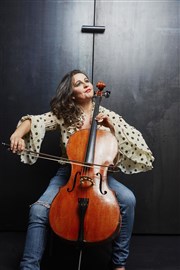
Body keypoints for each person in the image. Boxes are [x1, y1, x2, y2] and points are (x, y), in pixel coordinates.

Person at [10, 69, 154, 270]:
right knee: (38, 210)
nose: (86, 84)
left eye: (86, 81)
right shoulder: (63, 115)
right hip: (67, 175)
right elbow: (34, 121)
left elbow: (130, 143)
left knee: (128, 199)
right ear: (70, 93)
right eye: (78, 84)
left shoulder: (107, 115)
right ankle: (29, 267)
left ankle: (119, 263)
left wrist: (111, 128)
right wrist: (17, 134)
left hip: (98, 176)